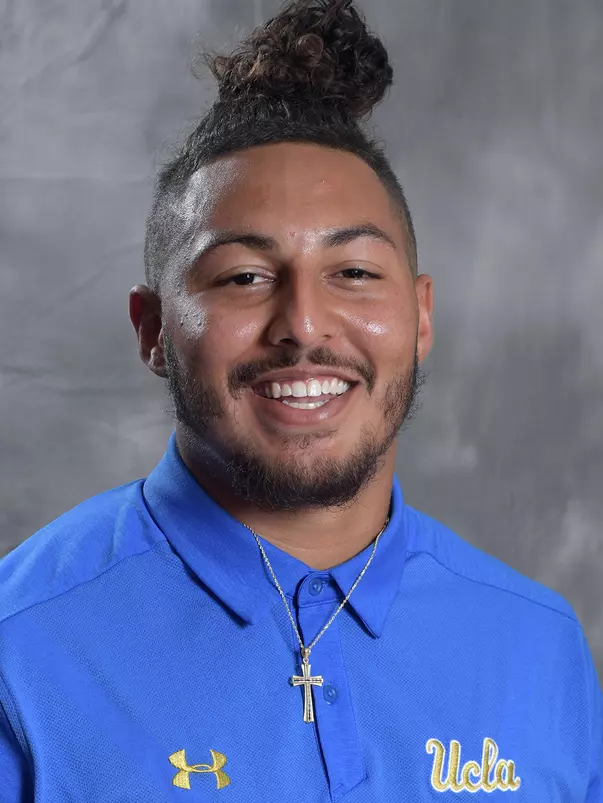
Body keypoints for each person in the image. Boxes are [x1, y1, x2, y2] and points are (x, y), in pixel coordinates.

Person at [0, 0, 601, 799]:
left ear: (419, 317)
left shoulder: (538, 645)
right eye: (243, 277)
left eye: (353, 272)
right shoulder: (21, 650)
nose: (304, 324)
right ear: (152, 330)